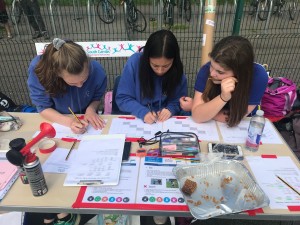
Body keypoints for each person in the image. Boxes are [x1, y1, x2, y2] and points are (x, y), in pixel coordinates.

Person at [27, 38, 106, 224]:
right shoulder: (38, 71)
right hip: (58, 125)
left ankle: (62, 212)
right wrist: (68, 122)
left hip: (84, 122)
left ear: (88, 64)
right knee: (54, 172)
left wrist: (91, 108)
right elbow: (42, 107)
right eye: (73, 83)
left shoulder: (96, 70)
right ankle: (53, 212)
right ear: (57, 74)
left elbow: (97, 96)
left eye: (84, 80)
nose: (80, 86)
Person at [180, 35, 268, 127]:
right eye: (211, 65)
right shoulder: (205, 70)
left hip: (244, 125)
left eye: (220, 72)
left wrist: (199, 109)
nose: (212, 73)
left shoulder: (259, 76)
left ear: (239, 73)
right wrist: (223, 97)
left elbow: (234, 118)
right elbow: (198, 116)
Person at [116, 29, 187, 124]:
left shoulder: (177, 69)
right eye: (155, 66)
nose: (160, 71)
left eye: (166, 66)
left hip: (165, 122)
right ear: (147, 58)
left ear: (174, 60)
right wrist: (142, 112)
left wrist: (170, 109)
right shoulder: (135, 63)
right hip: (138, 119)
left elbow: (179, 100)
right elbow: (122, 98)